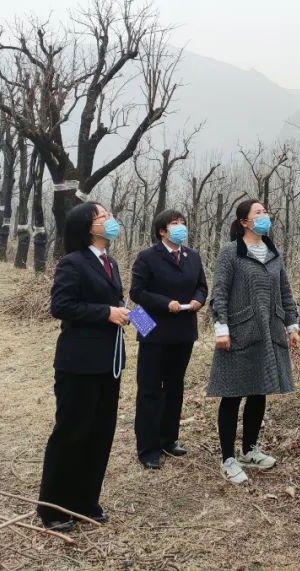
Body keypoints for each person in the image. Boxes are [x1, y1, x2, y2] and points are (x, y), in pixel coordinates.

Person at [37, 202, 129, 532]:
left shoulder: (111, 263)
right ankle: (53, 508)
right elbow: (61, 306)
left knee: (100, 433)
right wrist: (105, 313)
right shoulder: (72, 263)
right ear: (87, 227)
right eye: (102, 217)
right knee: (72, 433)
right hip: (78, 363)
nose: (109, 220)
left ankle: (85, 501)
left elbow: (118, 303)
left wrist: (144, 324)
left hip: (109, 363)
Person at [207, 199, 300, 485]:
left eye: (265, 212)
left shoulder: (273, 253)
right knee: (232, 393)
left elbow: (284, 290)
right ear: (244, 222)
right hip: (238, 332)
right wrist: (221, 327)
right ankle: (228, 458)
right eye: (258, 213)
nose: (265, 216)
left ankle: (249, 449)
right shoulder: (230, 252)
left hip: (269, 331)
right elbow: (219, 291)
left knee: (260, 390)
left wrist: (292, 324)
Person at [129, 209, 208, 469]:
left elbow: (202, 286)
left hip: (184, 330)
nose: (181, 227)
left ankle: (169, 439)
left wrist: (198, 299)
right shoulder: (147, 257)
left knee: (175, 387)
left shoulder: (192, 256)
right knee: (150, 389)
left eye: (183, 223)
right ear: (162, 230)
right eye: (175, 224)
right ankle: (148, 448)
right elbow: (136, 293)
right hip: (152, 329)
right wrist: (166, 304)